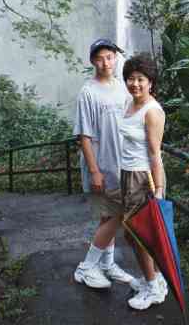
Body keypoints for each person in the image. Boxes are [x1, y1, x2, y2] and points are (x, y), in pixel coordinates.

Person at [73, 38, 135, 289]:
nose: (105, 62)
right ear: (92, 62)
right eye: (100, 58)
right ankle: (86, 268)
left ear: (116, 58)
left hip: (121, 164)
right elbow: (84, 136)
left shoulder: (122, 87)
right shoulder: (88, 92)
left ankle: (107, 265)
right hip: (101, 166)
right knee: (116, 215)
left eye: (109, 57)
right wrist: (94, 171)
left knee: (107, 217)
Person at [118, 53, 168, 310]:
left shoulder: (152, 111)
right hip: (128, 174)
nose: (134, 84)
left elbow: (154, 153)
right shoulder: (130, 104)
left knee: (138, 234)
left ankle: (152, 289)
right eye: (130, 79)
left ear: (151, 81)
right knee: (134, 234)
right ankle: (156, 279)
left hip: (144, 178)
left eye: (140, 79)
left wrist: (158, 190)